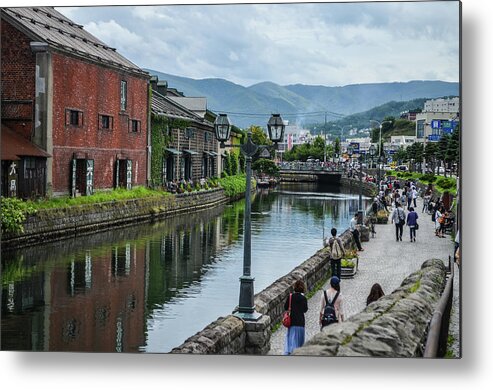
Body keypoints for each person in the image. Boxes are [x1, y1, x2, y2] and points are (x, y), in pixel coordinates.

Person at [284, 279, 308, 355]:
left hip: (292, 322)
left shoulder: (290, 296)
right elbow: (305, 309)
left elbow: (285, 307)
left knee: (291, 341)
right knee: (300, 342)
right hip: (300, 322)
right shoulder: (303, 298)